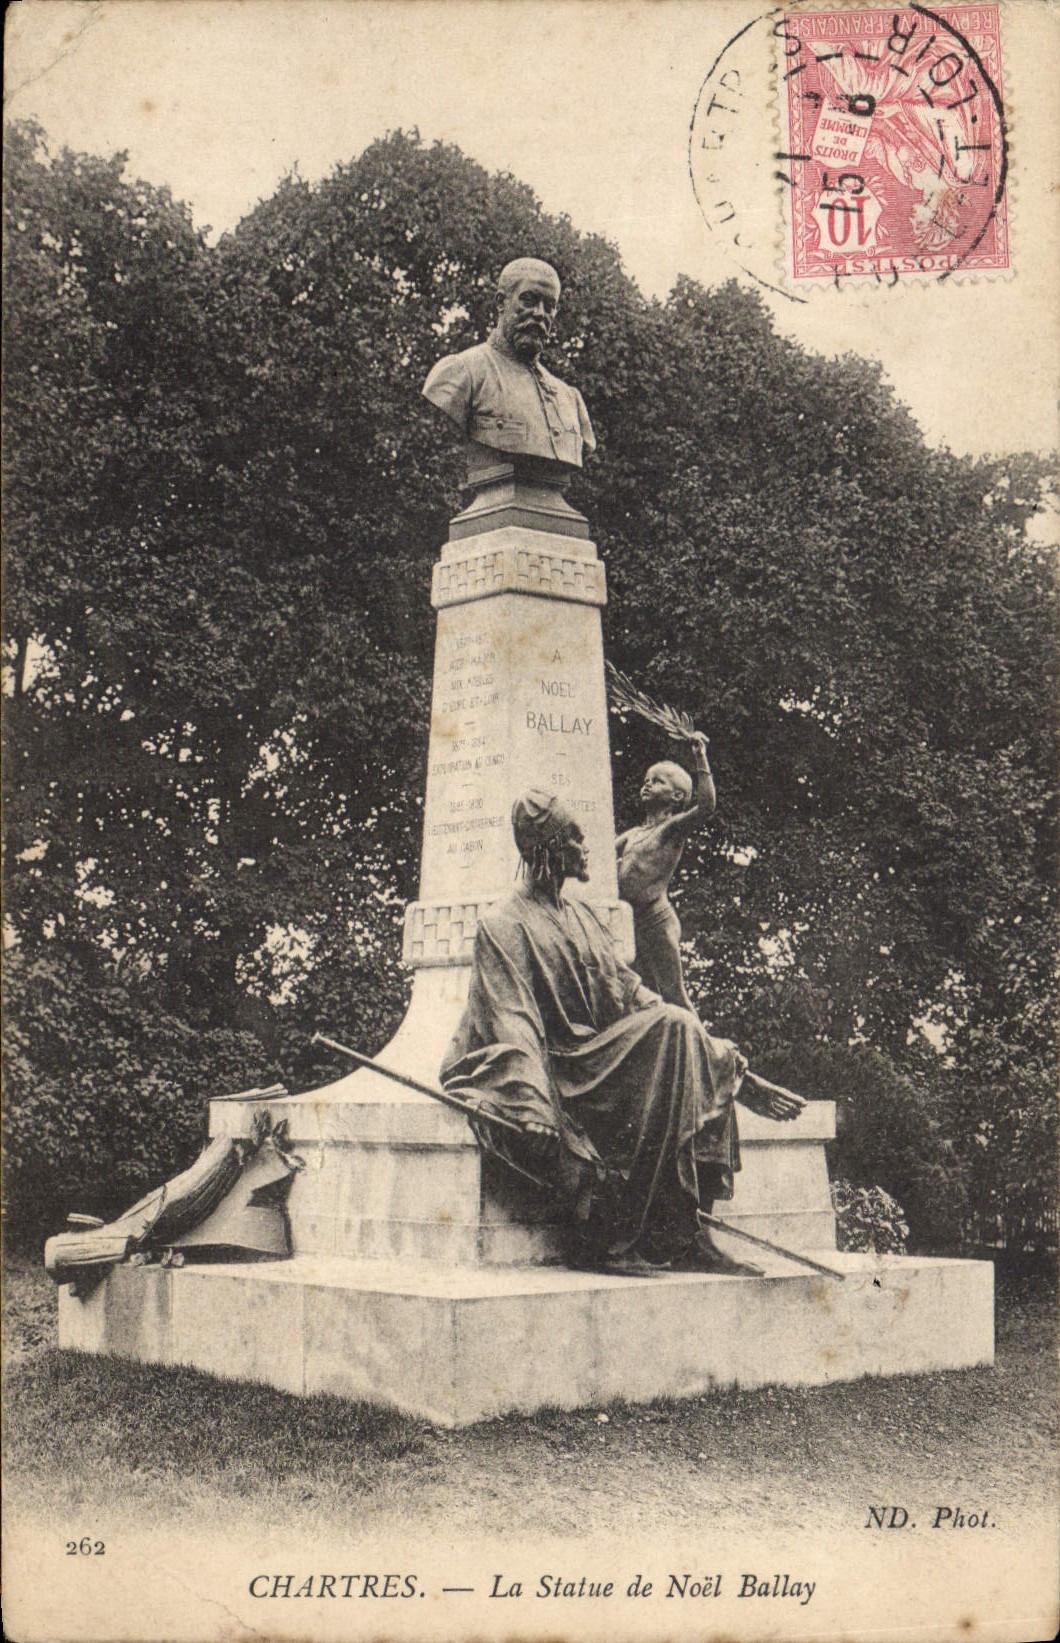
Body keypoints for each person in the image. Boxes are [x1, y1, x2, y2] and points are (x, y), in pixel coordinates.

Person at [440, 789, 794, 1274]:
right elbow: (512, 1018)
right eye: (576, 838)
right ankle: (610, 1234)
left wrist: (733, 1067)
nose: (589, 849)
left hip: (600, 1052)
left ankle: (689, 1231)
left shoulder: (582, 915)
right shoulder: (503, 923)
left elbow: (628, 993)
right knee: (673, 1030)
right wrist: (533, 1101)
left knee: (681, 1031)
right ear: (550, 849)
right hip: (563, 1064)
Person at [422, 258, 596, 471]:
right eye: (529, 300)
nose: (540, 313)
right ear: (501, 302)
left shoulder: (569, 398)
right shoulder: (462, 373)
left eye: (549, 306)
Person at [616, 731, 714, 1012]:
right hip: (630, 921)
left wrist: (700, 758)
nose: (647, 785)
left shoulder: (670, 830)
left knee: (674, 994)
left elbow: (706, 807)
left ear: (677, 796)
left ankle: (704, 1050)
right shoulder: (632, 835)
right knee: (639, 994)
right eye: (647, 780)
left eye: (657, 781)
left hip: (656, 921)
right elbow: (597, 857)